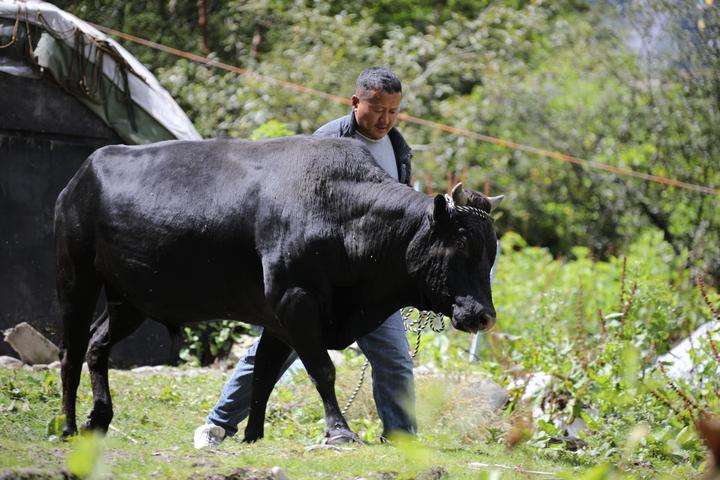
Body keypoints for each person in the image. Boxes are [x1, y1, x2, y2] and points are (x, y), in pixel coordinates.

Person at [194, 67, 416, 448]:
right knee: (274, 350)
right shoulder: (325, 143)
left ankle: (402, 441)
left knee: (394, 358)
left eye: (394, 111)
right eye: (378, 109)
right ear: (355, 102)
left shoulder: (399, 148)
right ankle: (217, 424)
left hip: (370, 282)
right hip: (318, 278)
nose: (386, 120)